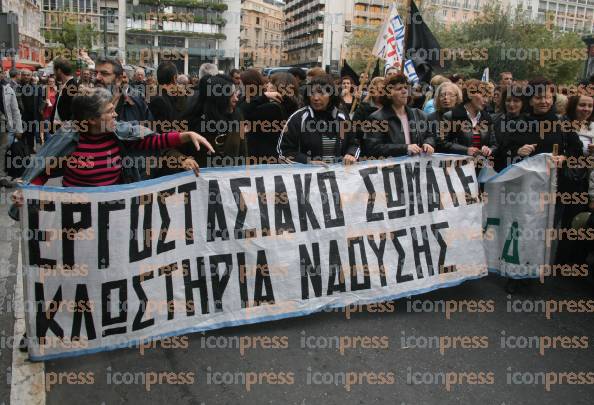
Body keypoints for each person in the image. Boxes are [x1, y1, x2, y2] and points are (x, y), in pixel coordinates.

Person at [9, 87, 212, 194]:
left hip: (112, 214)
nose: (115, 115)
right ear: (91, 119)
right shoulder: (68, 140)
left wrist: (186, 136)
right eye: (109, 111)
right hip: (79, 216)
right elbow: (44, 171)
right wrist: (27, 192)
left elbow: (152, 141)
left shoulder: (117, 133)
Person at [278, 74, 360, 165]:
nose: (316, 98)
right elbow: (284, 151)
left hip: (339, 177)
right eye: (312, 93)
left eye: (321, 93)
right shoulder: (298, 118)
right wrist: (308, 162)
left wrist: (351, 154)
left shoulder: (342, 118)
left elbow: (354, 143)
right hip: (308, 177)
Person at [364, 73, 435, 158]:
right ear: (389, 94)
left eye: (405, 88)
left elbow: (430, 135)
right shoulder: (376, 118)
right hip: (391, 169)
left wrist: (428, 143)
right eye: (399, 88)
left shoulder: (419, 114)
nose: (404, 91)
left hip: (416, 168)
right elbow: (373, 148)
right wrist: (405, 148)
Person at [181, 74, 245, 168]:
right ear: (219, 98)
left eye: (236, 93)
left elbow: (243, 151)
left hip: (229, 180)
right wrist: (184, 160)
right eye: (231, 95)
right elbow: (171, 150)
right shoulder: (192, 123)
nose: (236, 98)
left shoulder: (237, 116)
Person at [243, 71, 301, 161]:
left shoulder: (272, 108)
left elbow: (241, 111)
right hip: (278, 155)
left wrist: (264, 96)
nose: (267, 85)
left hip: (262, 157)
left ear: (277, 86)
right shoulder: (292, 105)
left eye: (271, 82)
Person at [439, 79, 496, 160]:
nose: (486, 100)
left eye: (487, 97)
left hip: (480, 167)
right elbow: (442, 143)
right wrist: (465, 150)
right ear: (470, 95)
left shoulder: (487, 118)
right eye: (483, 96)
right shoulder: (451, 116)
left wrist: (489, 150)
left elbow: (494, 145)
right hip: (457, 167)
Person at [95, 57, 154, 124]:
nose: (97, 78)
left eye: (104, 73)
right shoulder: (87, 103)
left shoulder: (137, 102)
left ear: (119, 79)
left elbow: (149, 128)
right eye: (95, 73)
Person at [492, 84, 526, 171]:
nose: (511, 104)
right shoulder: (494, 120)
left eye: (516, 101)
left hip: (520, 170)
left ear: (522, 102)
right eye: (508, 100)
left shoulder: (529, 122)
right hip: (497, 170)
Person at [0, 74, 24, 187]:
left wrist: (19, 128)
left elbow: (15, 110)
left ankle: (2, 176)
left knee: (3, 151)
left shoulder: (8, 89)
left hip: (5, 126)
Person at [352, 76, 385, 157]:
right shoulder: (363, 109)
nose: (381, 92)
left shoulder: (391, 109)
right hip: (367, 153)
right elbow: (353, 130)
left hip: (386, 152)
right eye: (378, 89)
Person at [426, 82, 462, 150]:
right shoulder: (431, 118)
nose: (446, 97)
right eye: (442, 95)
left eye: (450, 95)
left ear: (457, 98)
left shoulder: (464, 117)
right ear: (438, 98)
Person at [19, 69, 44, 151]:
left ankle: (29, 150)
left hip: (32, 116)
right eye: (24, 75)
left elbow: (40, 100)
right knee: (21, 135)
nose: (26, 77)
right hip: (20, 116)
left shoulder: (35, 87)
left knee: (31, 134)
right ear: (21, 75)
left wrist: (40, 109)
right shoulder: (17, 86)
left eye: (28, 75)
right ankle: (21, 151)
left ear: (31, 76)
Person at [51, 57, 79, 126]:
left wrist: (62, 124)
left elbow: (76, 113)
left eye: (54, 70)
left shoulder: (72, 86)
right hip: (58, 131)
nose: (54, 73)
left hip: (65, 133)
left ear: (59, 70)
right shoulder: (65, 84)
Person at [40, 76, 58, 144]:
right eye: (50, 81)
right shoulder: (44, 90)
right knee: (47, 130)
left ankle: (51, 144)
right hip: (46, 112)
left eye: (53, 81)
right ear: (47, 82)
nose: (51, 83)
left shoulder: (56, 90)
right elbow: (41, 100)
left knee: (53, 129)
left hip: (53, 113)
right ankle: (48, 145)